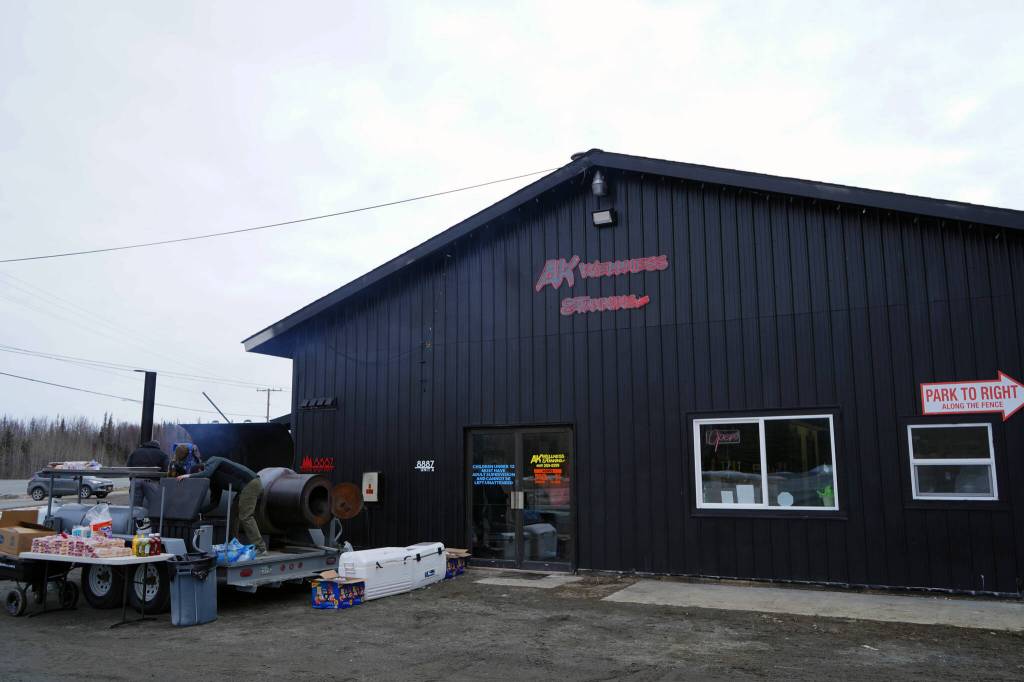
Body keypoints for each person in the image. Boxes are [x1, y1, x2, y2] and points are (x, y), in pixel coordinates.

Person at [178, 456, 266, 554]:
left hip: (251, 483)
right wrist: (198, 512)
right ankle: (233, 544)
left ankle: (261, 548)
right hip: (244, 488)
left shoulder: (213, 460)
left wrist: (189, 476)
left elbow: (207, 473)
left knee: (245, 516)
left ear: (200, 469)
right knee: (233, 515)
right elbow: (215, 503)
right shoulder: (214, 481)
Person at [126, 439, 169, 506]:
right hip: (152, 482)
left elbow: (128, 466)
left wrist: (131, 479)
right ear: (158, 446)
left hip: (136, 480)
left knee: (134, 507)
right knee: (155, 505)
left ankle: (136, 516)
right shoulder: (162, 455)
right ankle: (151, 516)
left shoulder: (135, 452)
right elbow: (166, 470)